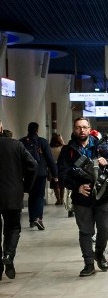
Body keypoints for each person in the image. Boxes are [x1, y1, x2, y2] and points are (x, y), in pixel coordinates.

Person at [57, 117, 108, 276]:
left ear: (89, 128)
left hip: (102, 194)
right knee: (85, 231)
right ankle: (89, 263)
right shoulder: (67, 150)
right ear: (74, 129)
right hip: (81, 197)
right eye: (78, 127)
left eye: (84, 127)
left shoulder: (100, 146)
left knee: (104, 228)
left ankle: (99, 252)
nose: (81, 130)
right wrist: (76, 187)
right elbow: (62, 174)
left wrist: (107, 161)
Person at [0, 120, 37, 280]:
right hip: (12, 193)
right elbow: (33, 164)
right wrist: (25, 186)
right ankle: (8, 255)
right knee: (13, 228)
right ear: (1, 128)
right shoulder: (15, 145)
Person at [20, 122, 59, 230]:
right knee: (39, 196)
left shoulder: (21, 142)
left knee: (31, 195)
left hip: (27, 173)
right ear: (37, 130)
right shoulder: (42, 141)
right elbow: (50, 159)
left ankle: (32, 219)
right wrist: (55, 174)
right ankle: (38, 218)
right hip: (40, 173)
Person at [49, 133, 66, 205]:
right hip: (61, 166)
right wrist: (62, 141)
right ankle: (61, 199)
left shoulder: (50, 148)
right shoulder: (62, 147)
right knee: (62, 184)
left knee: (55, 184)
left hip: (52, 166)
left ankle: (58, 199)